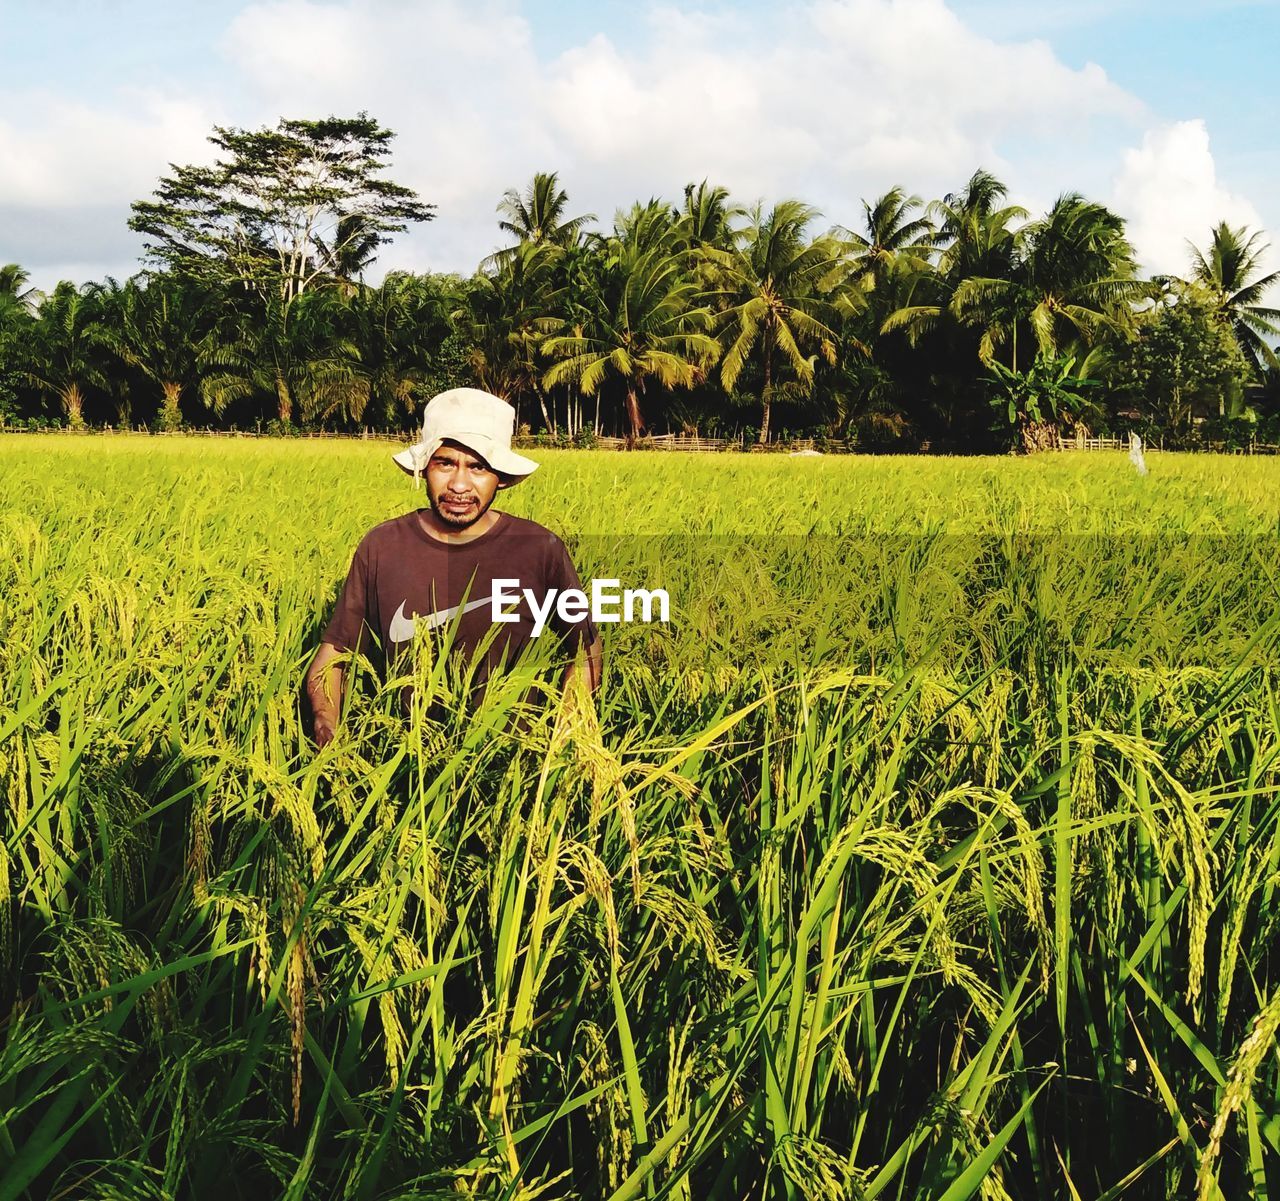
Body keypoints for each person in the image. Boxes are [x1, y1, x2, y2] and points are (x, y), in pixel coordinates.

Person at [307, 387, 603, 747]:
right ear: (425, 468)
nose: (459, 485)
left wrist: (569, 728)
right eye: (445, 463)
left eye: (478, 467)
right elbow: (333, 655)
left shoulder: (540, 549)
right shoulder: (382, 546)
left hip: (510, 765)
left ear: (501, 477)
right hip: (405, 763)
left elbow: (586, 647)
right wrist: (327, 725)